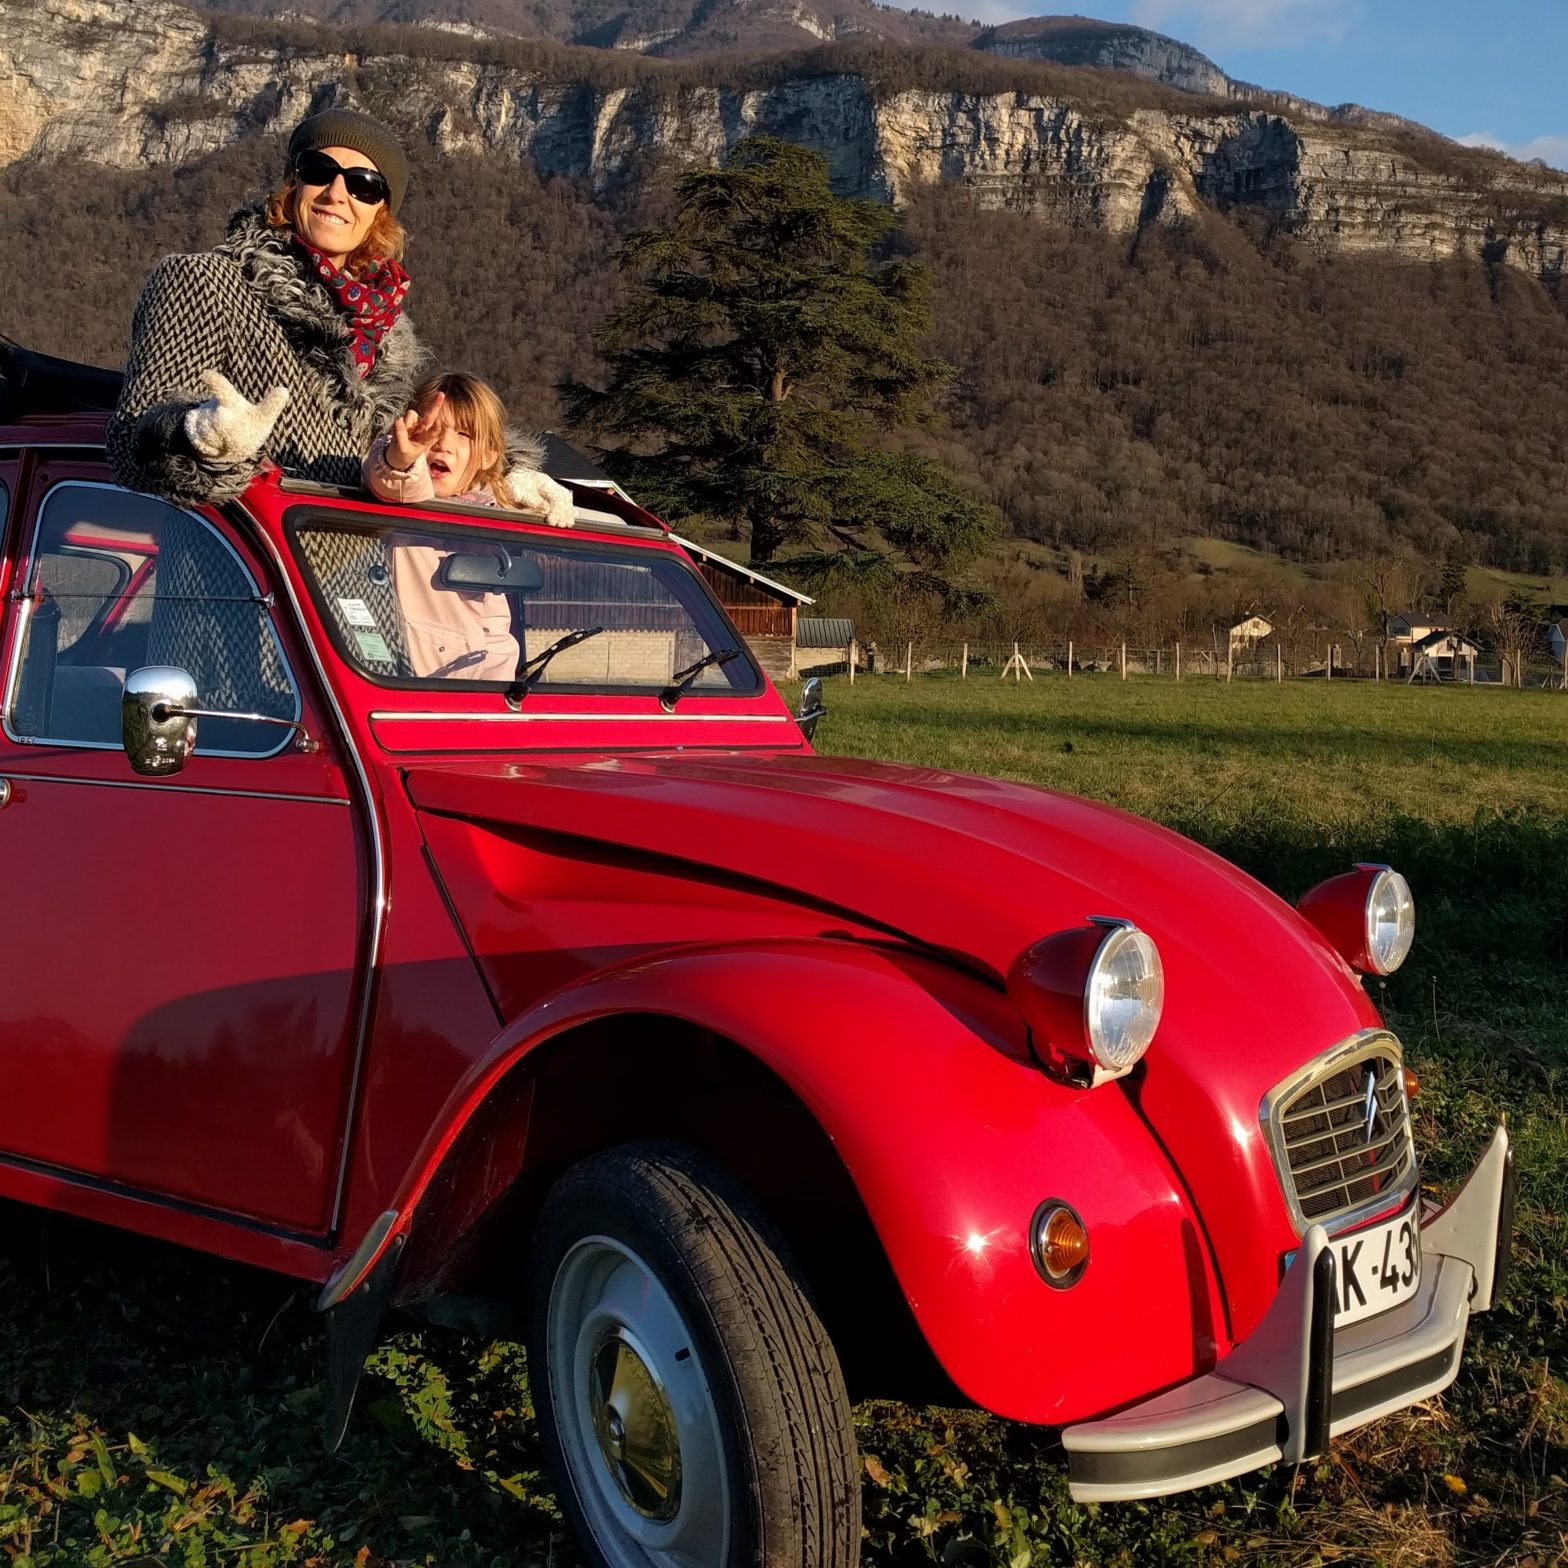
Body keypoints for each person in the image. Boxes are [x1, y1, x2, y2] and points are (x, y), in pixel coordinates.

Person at [109, 108, 423, 507]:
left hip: (353, 569)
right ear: (292, 184)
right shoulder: (206, 281)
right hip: (234, 561)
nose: (336, 193)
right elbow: (128, 446)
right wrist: (202, 436)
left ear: (381, 213)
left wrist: (500, 481)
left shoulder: (388, 333)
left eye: (364, 185)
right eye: (318, 170)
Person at [365, 371, 574, 680]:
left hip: (463, 697)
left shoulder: (487, 523)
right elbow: (389, 480)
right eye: (432, 429)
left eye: (464, 434)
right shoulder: (402, 494)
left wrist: (499, 703)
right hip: (396, 682)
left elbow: (495, 631)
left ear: (488, 455)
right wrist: (400, 458)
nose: (442, 445)